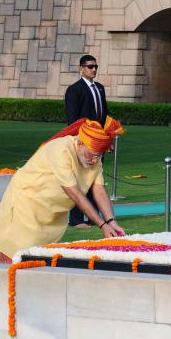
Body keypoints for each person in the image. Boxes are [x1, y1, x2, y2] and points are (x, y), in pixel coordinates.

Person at [0, 119, 126, 263]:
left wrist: (111, 221)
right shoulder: (61, 150)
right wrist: (102, 225)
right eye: (92, 155)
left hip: (51, 214)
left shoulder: (94, 159)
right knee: (14, 253)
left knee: (41, 259)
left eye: (99, 156)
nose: (95, 160)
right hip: (26, 205)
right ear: (80, 143)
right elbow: (75, 194)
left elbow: (99, 189)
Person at [65, 54, 109, 227]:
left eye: (96, 66)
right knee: (80, 179)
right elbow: (72, 119)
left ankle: (93, 217)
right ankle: (76, 219)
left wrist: (107, 139)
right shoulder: (74, 90)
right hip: (83, 142)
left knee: (95, 179)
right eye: (90, 67)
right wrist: (80, 142)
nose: (94, 69)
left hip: (98, 143)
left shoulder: (100, 88)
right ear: (81, 69)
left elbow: (104, 115)